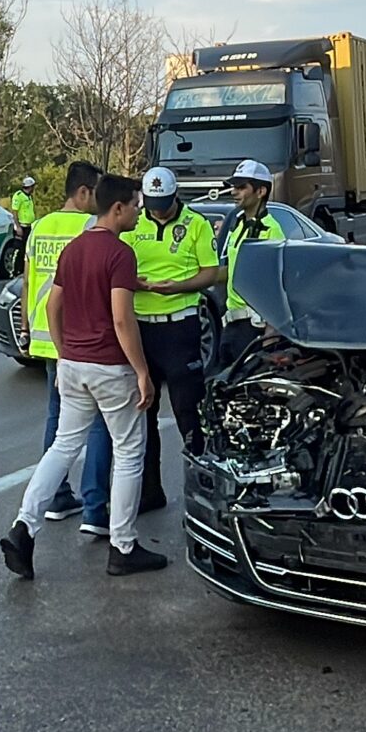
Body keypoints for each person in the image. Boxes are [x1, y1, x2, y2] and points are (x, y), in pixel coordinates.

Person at [1, 173, 167, 579]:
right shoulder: (119, 254)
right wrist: (143, 372)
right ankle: (123, 546)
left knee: (62, 447)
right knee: (129, 452)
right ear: (117, 208)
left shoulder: (74, 250)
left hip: (72, 365)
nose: (139, 213)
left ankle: (24, 526)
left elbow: (54, 305)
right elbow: (122, 319)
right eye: (136, 206)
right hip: (111, 368)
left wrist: (62, 352)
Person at [119, 165, 220, 517]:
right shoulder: (135, 223)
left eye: (163, 203)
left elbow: (211, 272)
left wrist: (177, 286)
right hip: (142, 328)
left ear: (176, 195)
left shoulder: (196, 224)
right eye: (152, 203)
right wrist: (135, 283)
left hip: (180, 327)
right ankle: (150, 492)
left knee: (188, 413)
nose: (157, 210)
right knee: (143, 415)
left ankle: (201, 492)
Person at [22, 161, 108, 524]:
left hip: (44, 336)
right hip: (77, 337)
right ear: (84, 192)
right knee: (97, 423)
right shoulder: (90, 227)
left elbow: (28, 282)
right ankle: (95, 507)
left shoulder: (40, 226)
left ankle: (56, 497)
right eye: (96, 193)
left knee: (56, 420)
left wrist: (26, 328)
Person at [214, 159, 284, 371]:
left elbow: (276, 283)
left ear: (261, 191)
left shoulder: (271, 230)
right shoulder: (239, 224)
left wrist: (271, 331)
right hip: (233, 324)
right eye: (234, 187)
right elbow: (232, 270)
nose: (234, 192)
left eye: (242, 187)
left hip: (254, 327)